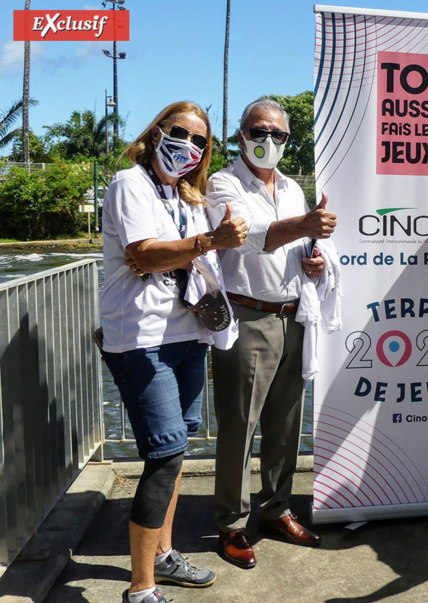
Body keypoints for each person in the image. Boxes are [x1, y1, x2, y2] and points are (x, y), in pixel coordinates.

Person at [100, 101, 248, 603]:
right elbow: (141, 253)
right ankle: (140, 589)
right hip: (142, 338)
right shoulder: (129, 183)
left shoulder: (187, 195)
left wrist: (220, 240)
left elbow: (201, 254)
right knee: (163, 457)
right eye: (179, 132)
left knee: (178, 451)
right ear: (158, 130)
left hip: (187, 334)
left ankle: (162, 555)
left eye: (200, 141)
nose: (188, 145)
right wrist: (210, 239)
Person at [205, 97, 337, 568]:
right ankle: (232, 524)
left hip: (292, 314)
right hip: (247, 316)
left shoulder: (292, 188)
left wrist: (314, 259)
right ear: (241, 135)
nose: (269, 141)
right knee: (239, 425)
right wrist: (303, 224)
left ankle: (276, 509)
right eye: (259, 131)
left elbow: (299, 244)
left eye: (278, 135)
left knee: (285, 424)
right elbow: (250, 235)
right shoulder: (223, 182)